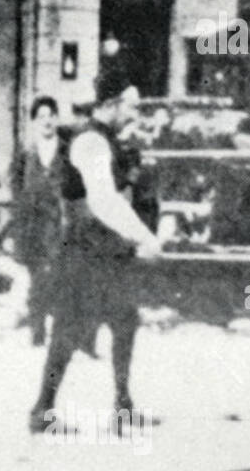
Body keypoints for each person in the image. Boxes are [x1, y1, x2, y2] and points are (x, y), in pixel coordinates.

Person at [28, 60, 161, 437]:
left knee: (125, 321)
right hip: (84, 251)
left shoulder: (108, 140)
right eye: (131, 106)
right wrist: (143, 236)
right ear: (113, 104)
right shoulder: (90, 141)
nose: (134, 114)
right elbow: (103, 200)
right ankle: (42, 410)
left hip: (105, 250)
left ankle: (122, 406)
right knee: (68, 331)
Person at [11, 96, 67, 346]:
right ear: (34, 121)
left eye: (50, 115)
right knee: (36, 280)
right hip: (33, 225)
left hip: (59, 223)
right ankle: (37, 330)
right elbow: (15, 186)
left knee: (58, 276)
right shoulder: (25, 152)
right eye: (41, 116)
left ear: (56, 119)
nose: (46, 121)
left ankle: (60, 331)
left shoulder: (66, 149)